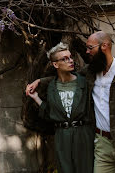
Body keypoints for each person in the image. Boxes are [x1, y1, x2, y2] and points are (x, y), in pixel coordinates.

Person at [26, 31, 115, 173]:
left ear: (105, 46)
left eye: (90, 48)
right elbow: (69, 77)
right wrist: (40, 81)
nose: (86, 51)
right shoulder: (90, 73)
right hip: (102, 146)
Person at [27, 42, 94, 173]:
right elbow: (49, 113)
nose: (70, 61)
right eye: (65, 59)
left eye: (70, 57)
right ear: (55, 64)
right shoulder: (52, 87)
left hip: (83, 133)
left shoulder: (84, 82)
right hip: (62, 136)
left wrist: (40, 80)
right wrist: (36, 98)